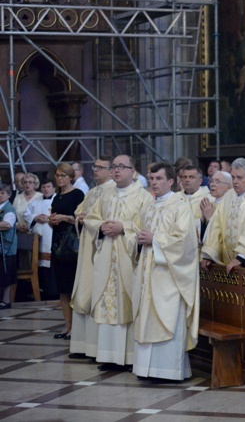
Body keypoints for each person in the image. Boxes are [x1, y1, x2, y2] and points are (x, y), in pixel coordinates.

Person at [80, 155, 154, 369]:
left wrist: (124, 228)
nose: (117, 170)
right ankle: (108, 356)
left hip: (128, 258)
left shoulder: (143, 197)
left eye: (123, 167)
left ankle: (128, 357)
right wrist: (102, 227)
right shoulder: (105, 194)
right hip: (106, 258)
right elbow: (91, 219)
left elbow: (148, 225)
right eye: (114, 167)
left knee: (127, 302)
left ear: (133, 171)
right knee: (106, 302)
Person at [132, 162, 200, 382]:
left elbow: (186, 243)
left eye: (159, 179)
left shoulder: (179, 206)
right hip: (148, 273)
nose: (154, 183)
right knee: (147, 319)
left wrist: (155, 240)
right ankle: (146, 370)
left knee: (167, 319)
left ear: (171, 181)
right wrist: (140, 240)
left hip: (169, 277)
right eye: (151, 179)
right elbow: (140, 234)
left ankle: (168, 372)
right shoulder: (149, 206)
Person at [68, 156, 115, 358]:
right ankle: (82, 345)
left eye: (100, 167)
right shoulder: (93, 192)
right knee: (83, 289)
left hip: (102, 247)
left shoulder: (114, 192)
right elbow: (80, 214)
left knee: (96, 291)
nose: (95, 170)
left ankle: (97, 348)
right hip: (87, 247)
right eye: (94, 166)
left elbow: (107, 220)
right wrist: (79, 218)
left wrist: (92, 221)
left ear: (111, 170)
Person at [201, 158, 245, 272]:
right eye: (233, 177)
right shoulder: (229, 195)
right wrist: (209, 254)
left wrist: (242, 258)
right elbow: (216, 225)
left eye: (239, 178)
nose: (235, 181)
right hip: (227, 263)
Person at [49, 163, 85, 339]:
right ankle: (67, 325)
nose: (60, 178)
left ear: (70, 177)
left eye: (63, 175)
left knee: (73, 287)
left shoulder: (77, 195)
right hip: (57, 243)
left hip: (72, 244)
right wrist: (52, 220)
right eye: (57, 175)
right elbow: (55, 216)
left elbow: (82, 218)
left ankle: (76, 328)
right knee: (62, 288)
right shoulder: (57, 197)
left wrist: (65, 218)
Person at [23, 179, 57, 299]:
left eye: (48, 186)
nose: (46, 189)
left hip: (52, 235)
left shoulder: (57, 199)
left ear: (54, 188)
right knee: (40, 265)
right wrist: (35, 217)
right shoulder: (35, 201)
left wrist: (48, 219)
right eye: (44, 187)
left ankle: (54, 292)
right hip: (38, 239)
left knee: (51, 265)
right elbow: (26, 215)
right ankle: (42, 290)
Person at [181, 165, 214, 237]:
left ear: (200, 181)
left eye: (191, 177)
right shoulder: (175, 198)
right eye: (185, 177)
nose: (187, 180)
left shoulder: (209, 199)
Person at [0, 185, 18, 310]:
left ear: (8, 195)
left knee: (6, 273)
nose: (0, 195)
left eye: (2, 193)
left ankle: (6, 300)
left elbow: (7, 224)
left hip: (7, 247)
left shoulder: (9, 208)